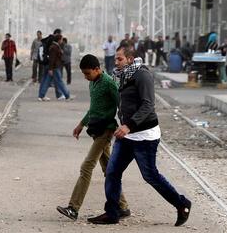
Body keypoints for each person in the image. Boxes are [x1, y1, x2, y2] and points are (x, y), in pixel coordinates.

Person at [87, 45, 191, 226]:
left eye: (120, 59)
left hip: (145, 136)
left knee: (150, 175)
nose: (116, 62)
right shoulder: (121, 76)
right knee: (112, 172)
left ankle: (182, 204)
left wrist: (129, 126)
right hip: (127, 136)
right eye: (116, 58)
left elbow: (148, 105)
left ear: (129, 58)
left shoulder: (142, 75)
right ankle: (112, 212)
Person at [56, 54, 129, 221]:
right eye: (84, 74)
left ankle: (73, 208)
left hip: (106, 131)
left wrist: (126, 125)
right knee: (109, 170)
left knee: (86, 167)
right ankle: (123, 206)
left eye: (88, 73)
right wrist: (81, 124)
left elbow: (122, 103)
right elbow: (93, 108)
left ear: (97, 69)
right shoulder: (93, 84)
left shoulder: (109, 83)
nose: (86, 77)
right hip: (95, 129)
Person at [38, 33, 72, 101]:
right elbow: (52, 59)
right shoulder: (54, 47)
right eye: (61, 39)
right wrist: (50, 69)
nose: (62, 41)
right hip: (55, 67)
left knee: (47, 81)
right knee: (60, 81)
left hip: (53, 67)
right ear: (59, 40)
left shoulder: (55, 46)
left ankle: (41, 95)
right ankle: (67, 95)